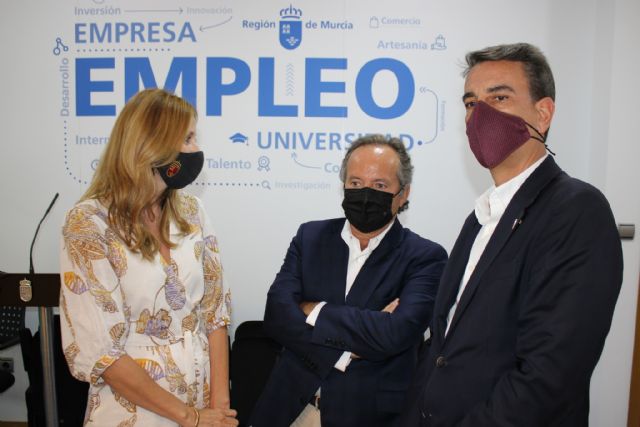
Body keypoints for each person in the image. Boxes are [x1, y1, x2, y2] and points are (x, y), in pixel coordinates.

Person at [401, 43, 624, 426]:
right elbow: (444, 345)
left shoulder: (576, 210)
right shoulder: (479, 218)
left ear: (543, 112)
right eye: (471, 103)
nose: (480, 114)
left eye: (499, 98)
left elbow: (548, 376)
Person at [59, 88, 238, 426]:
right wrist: (190, 417)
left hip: (202, 402)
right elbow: (102, 352)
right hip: (134, 409)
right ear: (153, 145)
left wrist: (219, 407)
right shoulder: (89, 223)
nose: (195, 149)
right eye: (187, 138)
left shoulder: (192, 211)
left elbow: (215, 312)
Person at [249, 135, 448, 427]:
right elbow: (277, 315)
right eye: (355, 183)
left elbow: (394, 334)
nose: (365, 194)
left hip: (368, 417)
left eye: (379, 186)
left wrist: (313, 309)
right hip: (289, 409)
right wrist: (353, 343)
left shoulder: (426, 257)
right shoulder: (310, 237)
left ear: (403, 194)